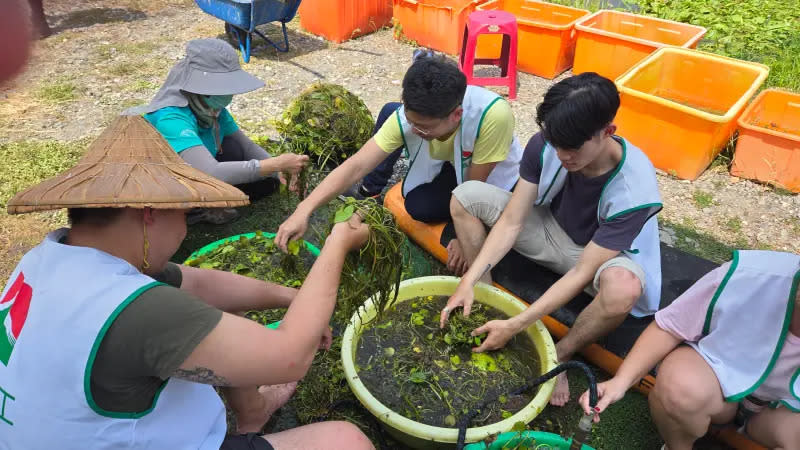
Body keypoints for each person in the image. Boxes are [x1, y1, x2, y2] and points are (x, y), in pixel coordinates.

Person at [0, 115, 374, 450]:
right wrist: (336, 243)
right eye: (185, 213)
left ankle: (253, 413)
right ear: (149, 214)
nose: (184, 227)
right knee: (346, 440)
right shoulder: (141, 313)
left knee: (216, 318)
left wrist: (293, 297)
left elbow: (202, 286)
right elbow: (290, 358)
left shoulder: (52, 257)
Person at [440, 73, 663, 407]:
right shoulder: (546, 144)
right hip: (550, 229)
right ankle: (484, 303)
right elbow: (512, 220)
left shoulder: (635, 188)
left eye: (572, 148)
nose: (562, 155)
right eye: (556, 144)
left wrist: (517, 326)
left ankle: (558, 353)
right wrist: (468, 281)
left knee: (623, 289)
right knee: (465, 196)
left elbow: (582, 271)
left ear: (607, 133)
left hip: (598, 259)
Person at [275, 53, 523, 252]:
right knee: (418, 206)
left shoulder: (492, 116)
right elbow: (356, 166)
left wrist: (463, 236)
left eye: (424, 127)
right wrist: (303, 210)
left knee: (440, 210)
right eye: (410, 121)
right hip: (453, 161)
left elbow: (473, 188)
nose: (415, 130)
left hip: (487, 173)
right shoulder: (410, 118)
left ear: (456, 115)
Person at [579, 250, 800, 450]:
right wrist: (621, 381)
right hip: (716, 384)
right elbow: (670, 327)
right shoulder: (750, 274)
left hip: (781, 413)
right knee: (680, 388)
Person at [131, 38, 309, 225]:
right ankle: (195, 210)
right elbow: (210, 171)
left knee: (263, 179)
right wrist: (274, 164)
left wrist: (277, 171)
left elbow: (244, 145)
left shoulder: (211, 108)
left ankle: (215, 199)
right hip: (171, 180)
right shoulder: (171, 118)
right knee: (245, 178)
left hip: (202, 166)